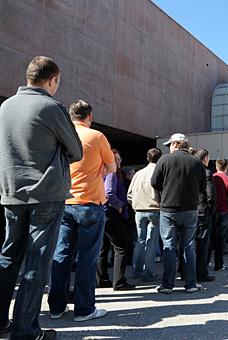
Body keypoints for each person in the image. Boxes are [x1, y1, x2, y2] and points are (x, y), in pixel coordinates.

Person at [0, 56, 82, 339]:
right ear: (52, 80)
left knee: (8, 258)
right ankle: (26, 330)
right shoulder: (51, 106)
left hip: (11, 192)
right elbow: (76, 150)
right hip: (45, 193)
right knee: (37, 263)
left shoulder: (5, 106)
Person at [48, 100, 114, 322]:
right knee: (87, 258)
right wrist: (100, 168)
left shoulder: (61, 134)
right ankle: (84, 309)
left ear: (70, 115)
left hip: (64, 202)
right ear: (90, 116)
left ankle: (56, 307)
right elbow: (112, 168)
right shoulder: (96, 136)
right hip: (90, 203)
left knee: (61, 254)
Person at [151, 133, 206, 294]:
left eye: (170, 145)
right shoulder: (196, 162)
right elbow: (203, 187)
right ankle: (190, 284)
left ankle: (167, 285)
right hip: (190, 209)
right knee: (188, 246)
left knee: (169, 245)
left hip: (168, 208)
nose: (169, 148)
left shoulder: (164, 160)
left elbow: (154, 182)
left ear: (176, 144)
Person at [96, 150, 136, 290]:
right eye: (115, 159)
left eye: (119, 159)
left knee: (102, 248)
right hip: (111, 214)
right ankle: (119, 282)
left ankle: (101, 280)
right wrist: (118, 206)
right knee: (121, 247)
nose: (118, 161)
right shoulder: (111, 173)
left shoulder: (100, 172)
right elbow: (109, 193)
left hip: (101, 213)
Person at [127, 148, 162, 281]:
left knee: (140, 241)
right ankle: (148, 273)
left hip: (139, 211)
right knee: (151, 242)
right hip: (155, 210)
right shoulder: (159, 173)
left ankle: (136, 271)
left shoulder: (138, 174)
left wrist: (135, 205)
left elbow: (129, 194)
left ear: (147, 158)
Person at [195, 149, 217, 282]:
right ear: (205, 159)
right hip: (203, 210)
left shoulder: (190, 171)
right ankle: (201, 273)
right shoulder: (207, 173)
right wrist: (212, 209)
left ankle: (187, 271)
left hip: (191, 209)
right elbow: (210, 195)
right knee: (203, 243)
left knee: (189, 243)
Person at [212, 159, 228, 271]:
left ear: (216, 167)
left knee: (211, 238)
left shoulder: (212, 178)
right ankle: (219, 264)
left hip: (214, 211)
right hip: (225, 211)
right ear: (226, 168)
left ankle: (206, 262)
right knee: (222, 239)